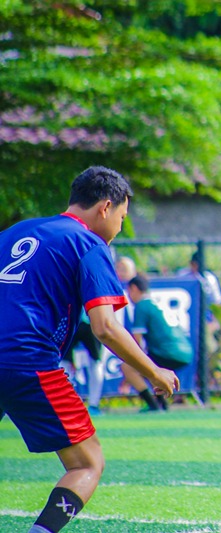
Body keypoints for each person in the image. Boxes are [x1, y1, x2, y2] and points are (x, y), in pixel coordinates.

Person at [0, 166, 179, 533]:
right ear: (106, 207)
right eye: (122, 217)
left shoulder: (13, 232)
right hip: (27, 361)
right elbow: (105, 327)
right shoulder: (88, 244)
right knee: (87, 464)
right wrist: (153, 371)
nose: (120, 227)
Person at [121, 274, 194, 412]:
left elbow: (136, 342)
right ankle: (163, 404)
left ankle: (153, 405)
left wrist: (128, 374)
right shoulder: (156, 302)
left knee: (128, 366)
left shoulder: (142, 305)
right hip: (185, 351)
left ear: (134, 288)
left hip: (168, 352)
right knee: (148, 367)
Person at [61, 310, 105, 417]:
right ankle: (68, 404)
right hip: (78, 318)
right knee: (65, 361)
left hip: (81, 318)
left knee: (95, 362)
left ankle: (91, 405)